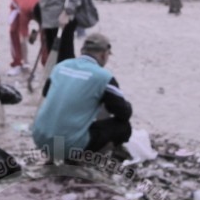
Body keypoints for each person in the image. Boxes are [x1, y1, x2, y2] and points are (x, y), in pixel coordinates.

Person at [32, 33, 132, 164]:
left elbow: (46, 93)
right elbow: (124, 113)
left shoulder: (60, 66)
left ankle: (55, 155)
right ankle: (87, 159)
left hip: (41, 139)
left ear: (82, 51)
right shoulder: (103, 77)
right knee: (123, 127)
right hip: (68, 145)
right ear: (104, 54)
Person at [6, 0, 47, 74]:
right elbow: (23, 38)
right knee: (14, 31)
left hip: (36, 0)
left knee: (46, 35)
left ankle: (46, 63)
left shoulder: (45, 6)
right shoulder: (24, 11)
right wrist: (26, 63)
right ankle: (18, 64)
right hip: (18, 3)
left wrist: (36, 33)